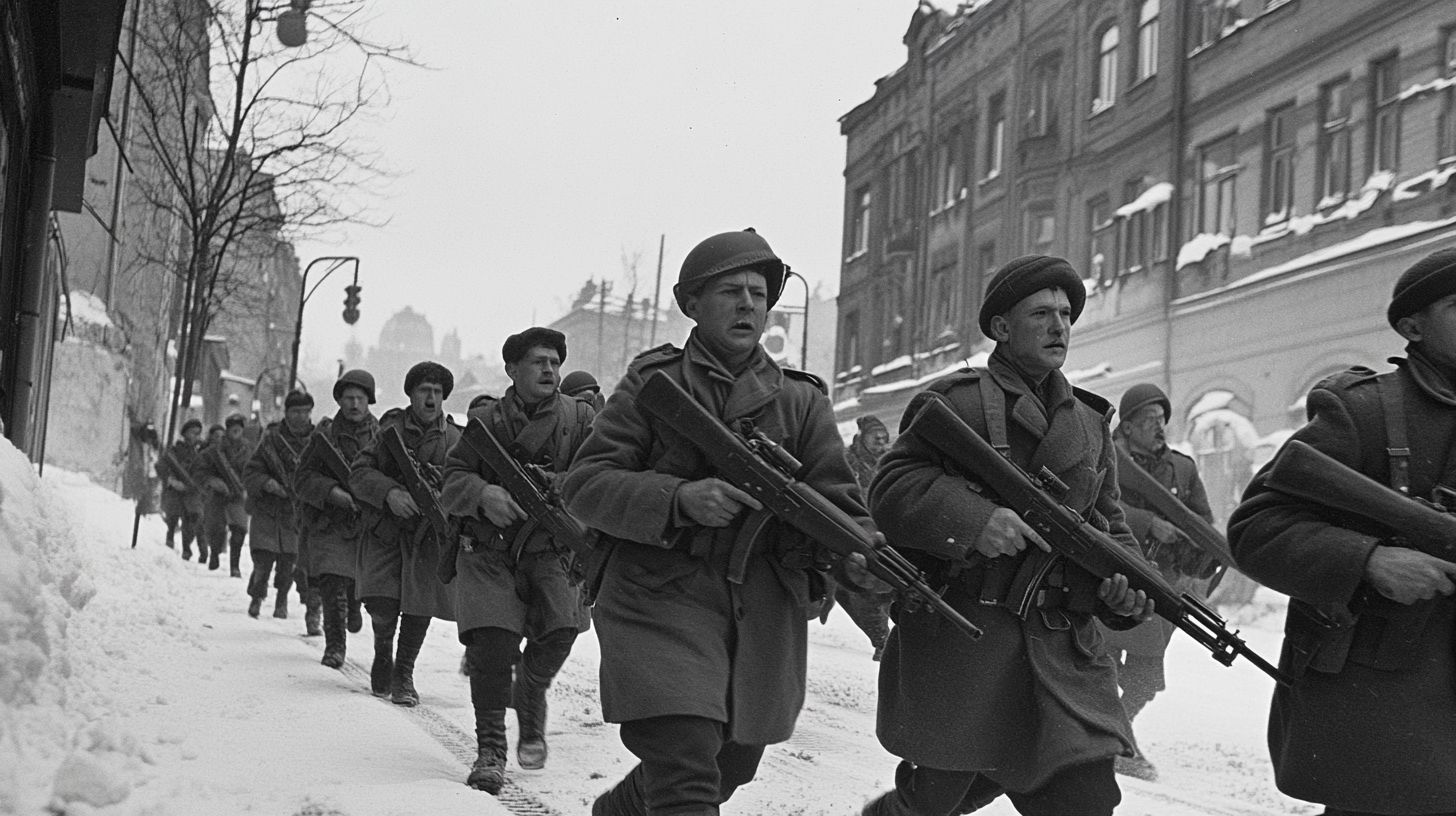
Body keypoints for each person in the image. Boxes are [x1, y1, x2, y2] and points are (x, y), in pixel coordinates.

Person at [564, 228, 880, 816]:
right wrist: (680, 498)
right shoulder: (654, 382)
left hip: (760, 611)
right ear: (692, 305)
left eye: (759, 293)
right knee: (685, 763)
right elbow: (584, 486)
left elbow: (840, 503)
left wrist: (857, 554)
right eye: (730, 291)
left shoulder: (801, 399)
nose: (748, 304)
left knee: (727, 767)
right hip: (657, 599)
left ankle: (621, 810)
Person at [862, 254, 1154, 816]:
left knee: (1084, 798)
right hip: (970, 638)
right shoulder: (958, 402)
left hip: (1062, 650)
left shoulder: (1091, 423)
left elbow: (1111, 526)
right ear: (1001, 328)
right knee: (937, 798)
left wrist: (1128, 591)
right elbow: (892, 488)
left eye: (1066, 314)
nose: (1058, 326)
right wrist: (975, 521)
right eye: (1041, 313)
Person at [1227, 248, 1456, 816]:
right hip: (1389, 709)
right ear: (1413, 327)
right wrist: (1370, 561)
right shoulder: (1365, 411)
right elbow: (1257, 528)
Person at [440, 327, 595, 794]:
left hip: (552, 547)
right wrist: (483, 493)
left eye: (554, 361)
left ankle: (529, 688)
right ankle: (491, 750)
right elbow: (453, 476)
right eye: (537, 362)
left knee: (562, 630)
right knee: (490, 646)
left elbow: (604, 471)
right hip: (489, 549)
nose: (549, 369)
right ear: (511, 370)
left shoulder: (580, 419)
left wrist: (559, 484)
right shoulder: (486, 422)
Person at [1100, 383, 1218, 781]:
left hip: (1164, 585)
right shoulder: (1107, 459)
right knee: (1098, 665)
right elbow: (1096, 504)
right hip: (1112, 576)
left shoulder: (1182, 468)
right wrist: (1148, 523)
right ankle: (1112, 742)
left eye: (1162, 419)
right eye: (1148, 420)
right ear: (1127, 427)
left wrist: (1197, 547)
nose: (1159, 426)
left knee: (1146, 678)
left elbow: (1202, 519)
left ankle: (1114, 733)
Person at [349, 361, 459, 705]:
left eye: (438, 393)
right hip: (386, 531)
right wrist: (390, 494)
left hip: (428, 538)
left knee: (419, 607)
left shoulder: (455, 439)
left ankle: (403, 674)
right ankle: (384, 650)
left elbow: (468, 481)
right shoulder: (388, 434)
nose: (431, 399)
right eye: (424, 391)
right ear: (410, 395)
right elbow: (359, 474)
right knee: (381, 604)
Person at [295, 369, 379, 668]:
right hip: (330, 522)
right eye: (348, 399)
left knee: (356, 584)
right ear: (339, 401)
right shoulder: (324, 437)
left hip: (367, 526)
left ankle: (355, 604)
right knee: (332, 582)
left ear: (369, 401)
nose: (354, 404)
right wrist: (332, 492)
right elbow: (302, 478)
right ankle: (335, 646)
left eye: (360, 398)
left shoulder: (382, 437)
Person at [241, 390, 313, 619]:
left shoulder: (317, 441)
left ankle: (281, 600)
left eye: (305, 411)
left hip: (296, 513)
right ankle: (256, 597)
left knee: (288, 563)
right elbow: (252, 471)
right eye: (295, 411)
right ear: (287, 412)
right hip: (268, 509)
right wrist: (267, 483)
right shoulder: (271, 439)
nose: (301, 416)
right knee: (262, 560)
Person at [838, 414, 895, 659]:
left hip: (887, 534)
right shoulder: (845, 460)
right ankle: (882, 639)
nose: (882, 445)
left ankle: (890, 642)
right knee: (852, 591)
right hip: (851, 532)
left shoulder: (892, 461)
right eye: (876, 439)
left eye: (885, 439)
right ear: (861, 439)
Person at [194, 413, 253, 576]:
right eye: (233, 427)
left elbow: (256, 470)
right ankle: (214, 553)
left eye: (239, 427)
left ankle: (235, 566)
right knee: (216, 529)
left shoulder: (249, 450)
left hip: (238, 496)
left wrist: (250, 487)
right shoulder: (215, 450)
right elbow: (199, 470)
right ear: (227, 429)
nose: (236, 430)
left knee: (239, 531)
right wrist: (213, 481)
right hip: (218, 496)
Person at [158, 418, 205, 559]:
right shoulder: (174, 450)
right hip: (175, 490)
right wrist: (171, 481)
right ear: (184, 434)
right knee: (172, 516)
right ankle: (170, 536)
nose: (195, 436)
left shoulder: (200, 455)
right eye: (192, 433)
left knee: (190, 521)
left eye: (198, 433)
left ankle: (186, 548)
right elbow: (161, 466)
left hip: (190, 492)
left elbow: (202, 472)